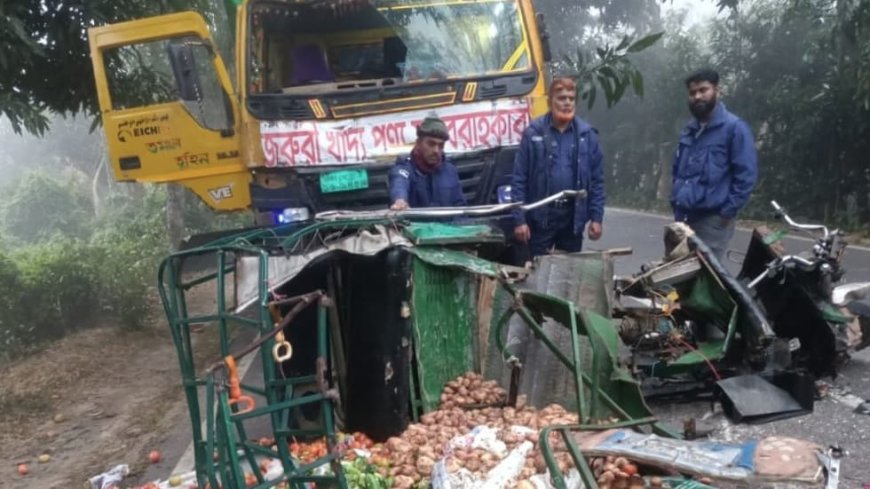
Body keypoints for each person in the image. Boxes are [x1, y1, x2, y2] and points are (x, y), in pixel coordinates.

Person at [510, 77, 605, 257]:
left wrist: (596, 218)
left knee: (568, 276)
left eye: (571, 98)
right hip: (540, 219)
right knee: (536, 276)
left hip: (572, 219)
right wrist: (519, 220)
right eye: (561, 98)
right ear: (550, 101)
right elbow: (519, 179)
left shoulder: (587, 136)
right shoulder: (533, 133)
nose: (567, 103)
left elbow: (597, 181)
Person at [670, 68, 758, 261]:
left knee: (706, 277)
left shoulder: (734, 128)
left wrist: (727, 212)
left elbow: (746, 176)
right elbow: (678, 170)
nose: (697, 96)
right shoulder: (689, 130)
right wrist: (676, 203)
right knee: (678, 274)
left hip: (713, 220)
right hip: (684, 217)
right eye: (693, 93)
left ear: (717, 91)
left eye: (703, 90)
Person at [389, 116, 466, 210]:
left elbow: (460, 208)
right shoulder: (404, 168)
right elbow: (399, 183)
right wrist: (400, 201)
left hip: (449, 224)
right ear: (418, 143)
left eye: (441, 145)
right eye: (431, 144)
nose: (436, 150)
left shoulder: (450, 171)